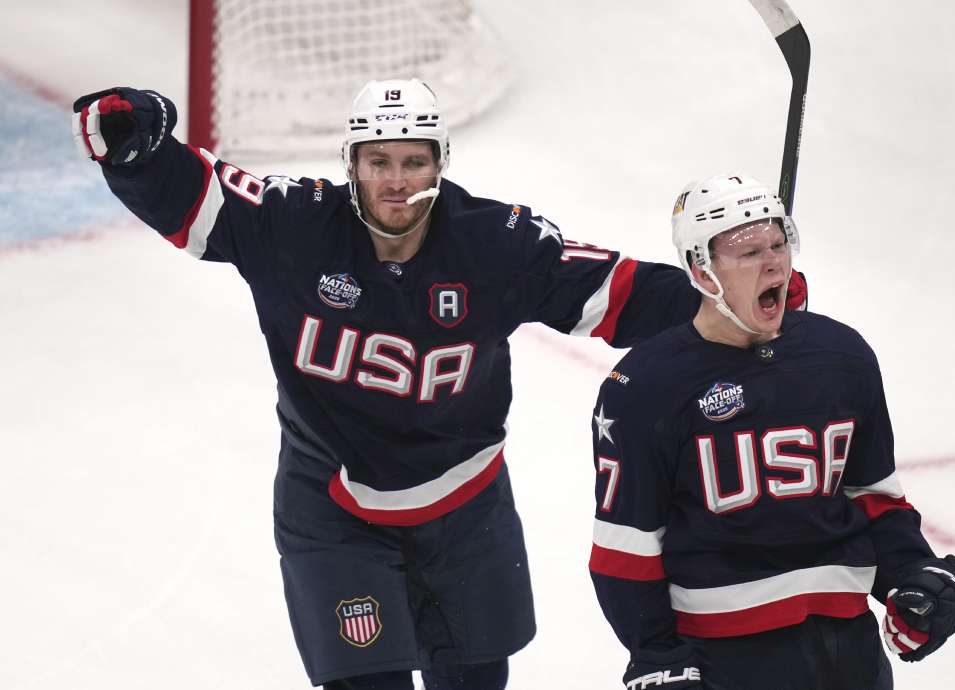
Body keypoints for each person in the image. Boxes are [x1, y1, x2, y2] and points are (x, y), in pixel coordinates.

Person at [71, 82, 806, 690]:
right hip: (334, 511)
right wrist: (135, 145)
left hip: (466, 513)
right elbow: (194, 196)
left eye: (415, 162)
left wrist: (737, 295)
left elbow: (618, 294)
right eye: (380, 161)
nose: (397, 180)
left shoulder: (497, 244)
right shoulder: (293, 225)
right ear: (351, 162)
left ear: (440, 164)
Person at [588, 173, 955, 689]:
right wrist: (656, 653)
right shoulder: (645, 384)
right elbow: (625, 548)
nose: (773, 262)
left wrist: (913, 574)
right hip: (722, 661)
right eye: (748, 252)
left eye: (778, 243)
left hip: (850, 655)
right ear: (701, 271)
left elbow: (872, 498)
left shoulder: (840, 356)